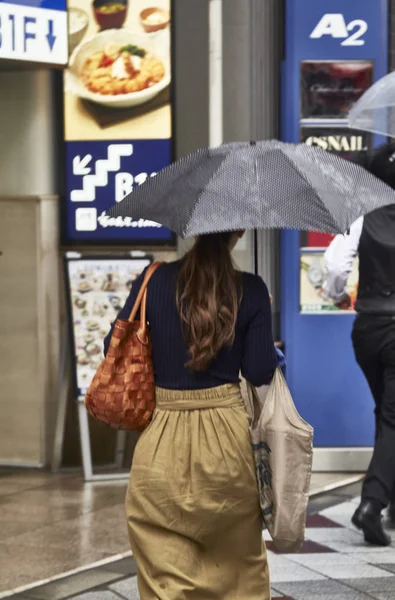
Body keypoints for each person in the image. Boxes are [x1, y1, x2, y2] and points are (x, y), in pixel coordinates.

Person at [104, 231, 278, 599]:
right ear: (239, 232)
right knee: (239, 562)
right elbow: (260, 369)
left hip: (161, 437)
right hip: (227, 440)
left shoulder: (154, 280)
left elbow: (112, 346)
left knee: (163, 564)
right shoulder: (251, 289)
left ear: (194, 228)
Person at [322, 142, 395, 547]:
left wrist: (337, 297)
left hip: (367, 327)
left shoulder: (362, 217)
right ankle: (371, 504)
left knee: (386, 410)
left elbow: (334, 267)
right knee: (392, 415)